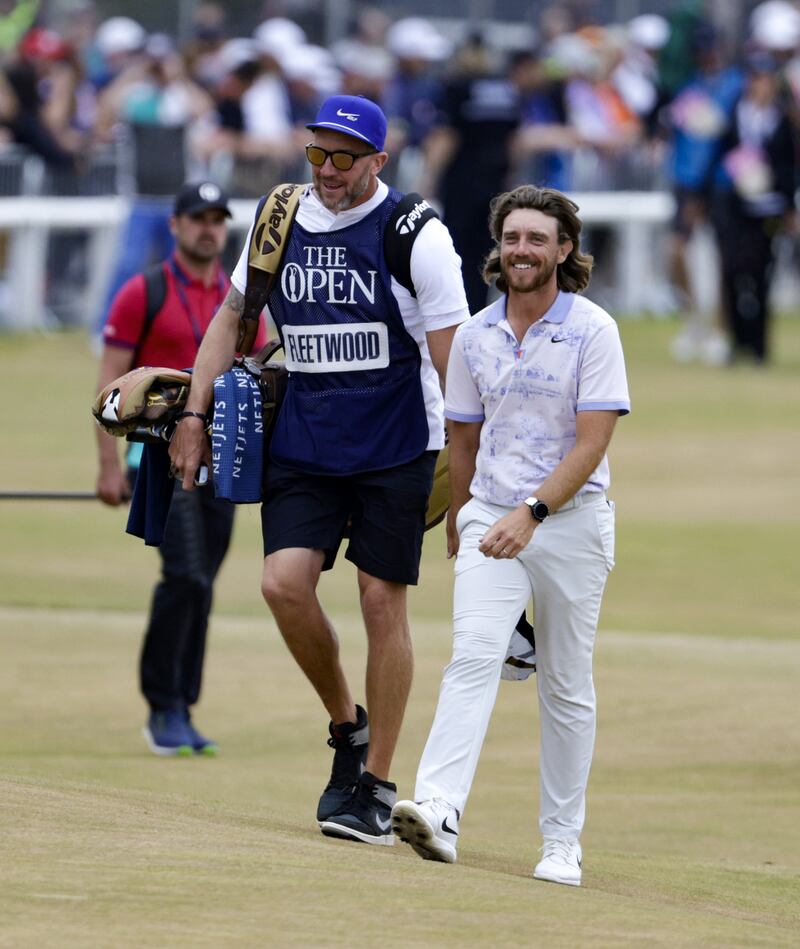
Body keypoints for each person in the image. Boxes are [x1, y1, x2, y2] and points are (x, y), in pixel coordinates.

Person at [168, 94, 470, 844]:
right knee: (281, 585)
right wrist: (194, 415)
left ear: (378, 160)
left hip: (400, 442)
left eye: (344, 157)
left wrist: (472, 475)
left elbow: (456, 363)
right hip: (306, 439)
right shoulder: (280, 216)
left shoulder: (417, 234)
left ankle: (376, 786)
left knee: (379, 601)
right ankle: (348, 728)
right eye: (317, 154)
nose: (328, 170)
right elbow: (228, 320)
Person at [391, 185, 630, 886]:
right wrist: (465, 523)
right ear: (497, 247)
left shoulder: (594, 330)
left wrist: (532, 512)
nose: (522, 249)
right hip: (492, 517)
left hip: (571, 522)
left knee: (565, 684)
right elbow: (462, 440)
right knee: (472, 656)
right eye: (512, 237)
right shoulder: (473, 335)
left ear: (564, 250)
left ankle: (562, 843)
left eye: (537, 238)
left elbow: (591, 444)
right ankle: (438, 809)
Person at [95, 180, 259, 756]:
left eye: (217, 218)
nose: (207, 228)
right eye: (197, 218)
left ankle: (183, 708)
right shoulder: (143, 292)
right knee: (185, 575)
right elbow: (110, 388)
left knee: (203, 584)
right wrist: (108, 466)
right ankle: (163, 706)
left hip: (224, 462)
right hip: (157, 462)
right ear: (176, 225)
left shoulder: (242, 300)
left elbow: (259, 373)